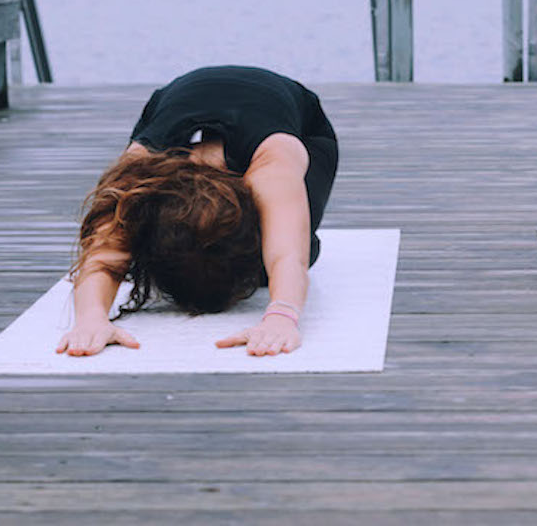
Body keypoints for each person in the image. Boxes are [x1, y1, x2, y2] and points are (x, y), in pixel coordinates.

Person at [56, 65, 337, 358]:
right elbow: (105, 252)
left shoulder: (273, 161)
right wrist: (91, 318)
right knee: (132, 212)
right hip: (173, 99)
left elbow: (287, 254)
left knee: (286, 237)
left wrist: (282, 317)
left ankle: (256, 250)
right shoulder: (143, 167)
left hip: (301, 121)